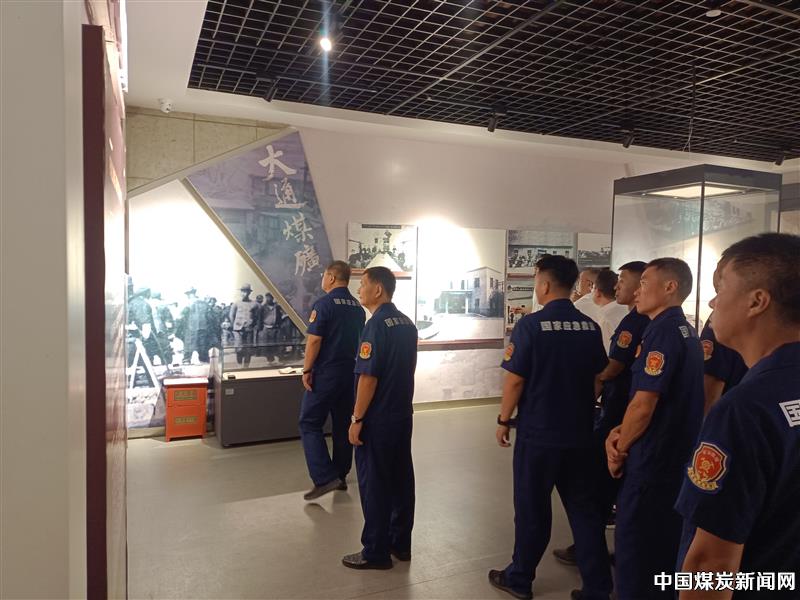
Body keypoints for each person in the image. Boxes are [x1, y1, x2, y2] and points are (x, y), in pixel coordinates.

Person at [675, 233, 800, 599]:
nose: (713, 301)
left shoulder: (745, 409)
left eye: (721, 287)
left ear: (756, 301)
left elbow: (711, 565)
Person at [488, 255, 612, 600]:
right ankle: (598, 588)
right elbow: (598, 377)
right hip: (580, 433)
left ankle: (520, 578)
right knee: (585, 511)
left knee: (532, 509)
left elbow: (515, 380)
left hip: (539, 434)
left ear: (543, 285)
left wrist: (503, 420)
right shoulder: (589, 327)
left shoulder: (531, 326)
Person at [605, 258, 704, 600]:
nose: (636, 290)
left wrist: (619, 449)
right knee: (662, 548)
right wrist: (622, 429)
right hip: (673, 460)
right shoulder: (684, 330)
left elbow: (644, 404)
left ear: (670, 287)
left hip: (651, 462)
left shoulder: (662, 332)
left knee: (635, 552)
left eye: (644, 282)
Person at [553, 260, 649, 566]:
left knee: (596, 482)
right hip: (624, 409)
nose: (617, 285)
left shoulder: (632, 322)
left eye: (624, 280)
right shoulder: (643, 320)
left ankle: (589, 551)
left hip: (618, 410)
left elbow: (612, 367)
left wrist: (584, 384)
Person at [342, 267, 417, 570]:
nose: (359, 289)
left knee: (374, 483)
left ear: (378, 290)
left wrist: (357, 418)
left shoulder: (374, 326)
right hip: (402, 414)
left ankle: (375, 551)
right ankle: (400, 543)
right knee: (401, 480)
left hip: (378, 419)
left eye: (363, 284)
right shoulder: (407, 323)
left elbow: (368, 378)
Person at [299, 261, 366, 501]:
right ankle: (340, 474)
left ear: (330, 277)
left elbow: (314, 340)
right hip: (349, 373)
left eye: (324, 276)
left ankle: (324, 477)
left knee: (309, 422)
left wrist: (307, 369)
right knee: (341, 424)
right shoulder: (358, 308)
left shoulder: (324, 304)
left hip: (326, 373)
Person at [699, 309, 747, 415]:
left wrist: (705, 421)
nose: (711, 303)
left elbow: (712, 382)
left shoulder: (724, 316)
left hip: (731, 414)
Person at [592, 269, 630, 353]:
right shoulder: (626, 309)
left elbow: (607, 353)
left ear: (597, 292)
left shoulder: (606, 319)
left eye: (593, 288)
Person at [229, 284, 257, 367]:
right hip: (238, 329)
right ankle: (239, 366)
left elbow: (256, 316)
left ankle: (246, 367)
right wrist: (234, 325)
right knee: (239, 348)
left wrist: (252, 324)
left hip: (249, 329)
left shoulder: (254, 304)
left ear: (249, 293)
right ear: (240, 292)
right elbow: (231, 315)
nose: (244, 293)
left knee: (248, 349)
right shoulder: (236, 303)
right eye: (243, 291)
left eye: (246, 292)